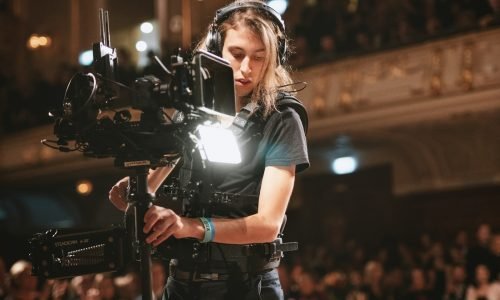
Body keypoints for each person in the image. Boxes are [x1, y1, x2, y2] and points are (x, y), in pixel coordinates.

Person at [108, 1, 309, 299]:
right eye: (237, 54)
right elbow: (146, 189)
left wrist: (189, 226)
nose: (246, 68)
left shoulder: (281, 117)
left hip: (246, 285)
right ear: (215, 49)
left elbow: (268, 224)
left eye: (259, 58)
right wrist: (134, 194)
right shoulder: (190, 114)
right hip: (181, 284)